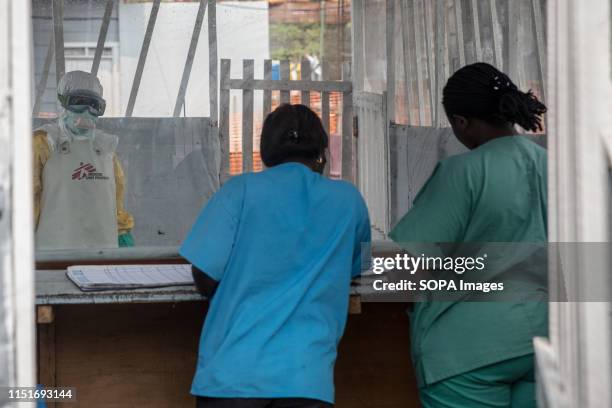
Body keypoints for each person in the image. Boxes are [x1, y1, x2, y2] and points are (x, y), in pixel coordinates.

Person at [180, 104, 371, 408]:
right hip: (307, 378)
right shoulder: (348, 201)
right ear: (321, 152)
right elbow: (354, 270)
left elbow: (205, 274)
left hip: (233, 375)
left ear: (265, 150)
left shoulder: (239, 191)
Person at [389, 63, 548, 408]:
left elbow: (409, 266)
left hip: (469, 353)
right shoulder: (552, 166)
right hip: (548, 344)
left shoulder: (462, 172)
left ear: (461, 123)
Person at [33, 70, 134, 249]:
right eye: (79, 103)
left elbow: (115, 202)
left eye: (94, 105)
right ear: (62, 102)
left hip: (104, 255)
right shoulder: (44, 142)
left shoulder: (106, 147)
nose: (87, 111)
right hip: (53, 255)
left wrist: (123, 235)